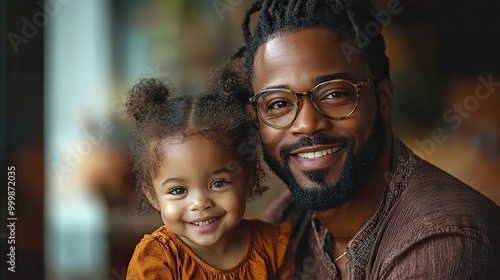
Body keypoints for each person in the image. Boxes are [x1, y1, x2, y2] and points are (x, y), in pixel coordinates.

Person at [216, 0, 500, 279]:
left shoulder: (445, 241)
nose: (307, 124)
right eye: (278, 104)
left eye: (334, 94)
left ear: (384, 99)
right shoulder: (289, 219)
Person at [125, 77, 294, 279]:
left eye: (218, 183)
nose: (200, 202)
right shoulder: (157, 259)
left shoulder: (273, 244)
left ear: (249, 180)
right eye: (178, 190)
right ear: (153, 196)